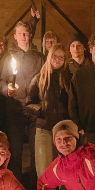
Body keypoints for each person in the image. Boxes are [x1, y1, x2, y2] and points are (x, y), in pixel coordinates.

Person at [0, 21, 45, 180]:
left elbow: (45, 81)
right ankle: (15, 187)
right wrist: (6, 90)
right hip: (15, 109)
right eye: (20, 33)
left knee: (35, 151)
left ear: (30, 35)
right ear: (15, 36)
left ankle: (34, 186)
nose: (23, 36)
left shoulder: (38, 58)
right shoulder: (8, 57)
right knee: (15, 152)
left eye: (26, 33)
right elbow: (0, 82)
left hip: (34, 110)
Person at [26, 44, 72, 178]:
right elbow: (29, 103)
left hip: (63, 130)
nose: (57, 60)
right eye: (54, 56)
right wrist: (41, 111)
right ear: (49, 57)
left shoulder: (68, 78)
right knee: (45, 172)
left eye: (61, 57)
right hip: (44, 129)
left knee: (64, 172)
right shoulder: (39, 78)